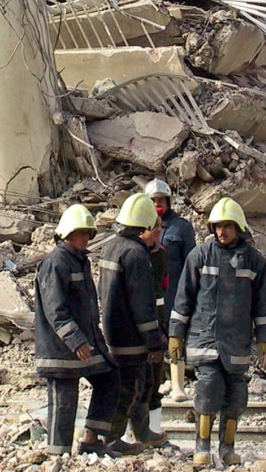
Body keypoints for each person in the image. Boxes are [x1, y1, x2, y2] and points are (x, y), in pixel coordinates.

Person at [168, 197, 266, 467]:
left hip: (236, 342)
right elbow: (184, 297)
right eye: (217, 226)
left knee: (236, 396)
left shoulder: (254, 261)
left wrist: (264, 338)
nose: (221, 232)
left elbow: (261, 305)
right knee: (208, 389)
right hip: (206, 339)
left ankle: (228, 448)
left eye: (226, 226)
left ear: (238, 226)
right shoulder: (200, 255)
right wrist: (175, 333)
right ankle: (201, 447)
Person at [34, 204, 121, 457]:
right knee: (64, 400)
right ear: (68, 232)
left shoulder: (77, 261)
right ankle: (58, 454)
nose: (85, 237)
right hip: (61, 349)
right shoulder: (56, 263)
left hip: (82, 344)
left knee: (109, 379)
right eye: (81, 232)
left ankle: (91, 438)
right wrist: (76, 340)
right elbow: (55, 310)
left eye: (87, 233)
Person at [99, 193, 167, 455]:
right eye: (156, 228)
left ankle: (142, 432)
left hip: (113, 334)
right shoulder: (136, 254)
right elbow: (142, 304)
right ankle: (112, 439)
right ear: (144, 229)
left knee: (142, 383)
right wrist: (154, 342)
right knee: (131, 388)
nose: (158, 234)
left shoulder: (111, 246)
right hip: (131, 339)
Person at [145, 178, 195, 402]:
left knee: (176, 338)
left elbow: (191, 264)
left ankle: (178, 385)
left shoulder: (181, 228)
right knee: (156, 338)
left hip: (175, 295)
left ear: (168, 201)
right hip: (152, 296)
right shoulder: (143, 229)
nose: (158, 204)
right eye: (153, 200)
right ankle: (163, 379)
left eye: (161, 200)